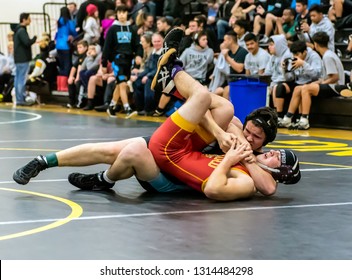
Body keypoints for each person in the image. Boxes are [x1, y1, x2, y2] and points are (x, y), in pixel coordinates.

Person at [280, 32, 345, 130]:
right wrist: (318, 82)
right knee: (298, 88)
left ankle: (304, 120)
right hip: (331, 85)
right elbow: (328, 77)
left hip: (336, 88)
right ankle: (288, 118)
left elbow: (335, 78)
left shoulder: (327, 56)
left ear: (315, 44)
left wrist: (322, 83)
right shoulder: (328, 54)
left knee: (306, 88)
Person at [102, 4, 141, 115]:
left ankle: (111, 107)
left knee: (120, 85)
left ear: (127, 14)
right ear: (116, 15)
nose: (122, 15)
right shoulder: (113, 29)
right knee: (123, 83)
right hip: (117, 60)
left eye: (124, 12)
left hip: (128, 61)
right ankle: (127, 108)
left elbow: (137, 45)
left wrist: (138, 55)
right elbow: (106, 47)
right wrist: (104, 63)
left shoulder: (132, 29)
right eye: (119, 13)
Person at [13, 12, 37, 106]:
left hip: (18, 58)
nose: (30, 20)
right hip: (23, 58)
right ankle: (21, 99)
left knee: (18, 78)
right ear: (24, 20)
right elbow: (27, 42)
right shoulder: (22, 31)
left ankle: (19, 99)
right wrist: (34, 39)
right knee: (21, 79)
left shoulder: (17, 30)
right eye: (29, 19)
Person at [55, 6, 78, 91]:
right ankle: (65, 86)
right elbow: (73, 32)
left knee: (61, 65)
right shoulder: (69, 22)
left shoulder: (59, 22)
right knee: (67, 65)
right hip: (66, 45)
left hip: (58, 45)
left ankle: (59, 86)